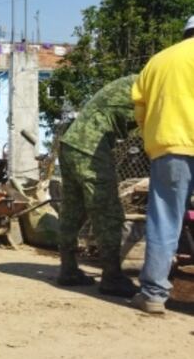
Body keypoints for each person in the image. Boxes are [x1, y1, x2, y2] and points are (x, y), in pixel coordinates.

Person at [131, 16, 194, 314]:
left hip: (168, 148)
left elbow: (140, 110)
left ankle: (154, 294)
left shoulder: (157, 62)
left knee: (165, 218)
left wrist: (151, 139)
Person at [56, 75, 139, 297]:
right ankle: (111, 276)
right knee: (107, 210)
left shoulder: (142, 81)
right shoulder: (155, 85)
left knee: (74, 209)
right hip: (91, 146)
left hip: (72, 143)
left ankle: (68, 269)